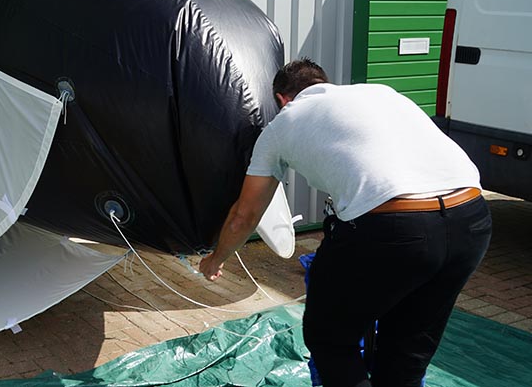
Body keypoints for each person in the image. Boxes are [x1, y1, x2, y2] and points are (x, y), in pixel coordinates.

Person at [198, 58, 491, 387]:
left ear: (282, 99)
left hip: (397, 228)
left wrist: (216, 259)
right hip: (472, 219)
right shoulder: (380, 93)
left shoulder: (282, 124)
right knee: (405, 354)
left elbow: (245, 216)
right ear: (325, 83)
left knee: (330, 339)